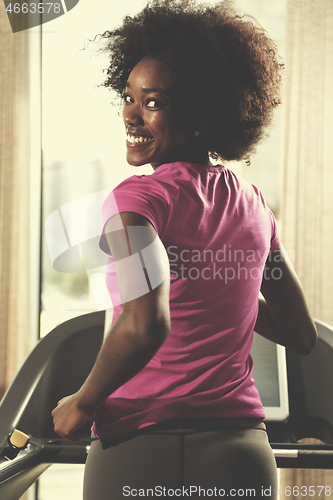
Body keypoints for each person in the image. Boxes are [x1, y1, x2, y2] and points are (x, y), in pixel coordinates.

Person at [51, 1, 318, 498]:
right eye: (128, 97)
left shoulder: (137, 201)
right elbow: (301, 335)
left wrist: (83, 402)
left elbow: (143, 323)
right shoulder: (254, 203)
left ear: (201, 113)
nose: (131, 114)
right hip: (241, 452)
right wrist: (222, 289)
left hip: (137, 444)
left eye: (153, 102)